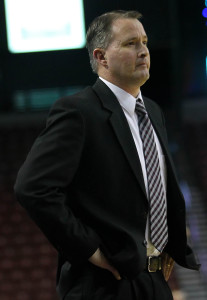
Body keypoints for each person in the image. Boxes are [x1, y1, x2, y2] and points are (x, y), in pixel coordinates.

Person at [14, 10, 199, 300]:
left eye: (145, 42)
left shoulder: (152, 110)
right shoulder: (78, 111)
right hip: (104, 284)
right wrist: (90, 250)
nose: (143, 51)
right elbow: (32, 188)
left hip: (155, 280)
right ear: (101, 57)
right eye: (130, 44)